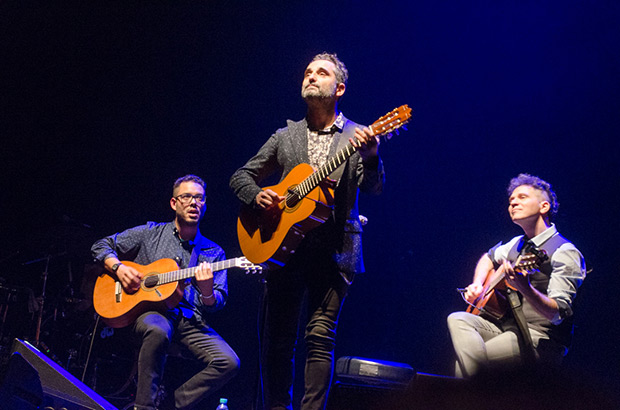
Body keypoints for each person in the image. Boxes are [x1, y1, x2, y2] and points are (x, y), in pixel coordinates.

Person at [229, 52, 384, 410]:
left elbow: (373, 187)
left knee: (319, 337)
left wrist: (373, 155)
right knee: (278, 340)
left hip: (334, 249)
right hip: (282, 245)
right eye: (308, 72)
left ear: (339, 88)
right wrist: (257, 196)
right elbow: (240, 176)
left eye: (322, 72)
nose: (311, 76)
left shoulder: (356, 136)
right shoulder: (286, 135)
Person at [91, 174, 239, 410]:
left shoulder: (214, 252)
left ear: (205, 204)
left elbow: (217, 302)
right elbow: (101, 246)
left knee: (229, 362)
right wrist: (119, 269)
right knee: (158, 330)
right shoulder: (150, 233)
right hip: (151, 312)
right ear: (174, 203)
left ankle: (171, 404)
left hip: (190, 319)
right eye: (187, 197)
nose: (194, 203)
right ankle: (145, 407)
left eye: (199, 198)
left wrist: (207, 292)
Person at [447, 173, 586, 378]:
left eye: (521, 197)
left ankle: (480, 393)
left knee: (462, 370)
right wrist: (477, 284)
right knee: (458, 318)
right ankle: (483, 392)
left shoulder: (564, 252)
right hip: (509, 328)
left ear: (544, 207)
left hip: (541, 338)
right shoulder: (517, 244)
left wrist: (525, 288)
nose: (513, 203)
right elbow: (489, 256)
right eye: (511, 200)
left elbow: (557, 314)